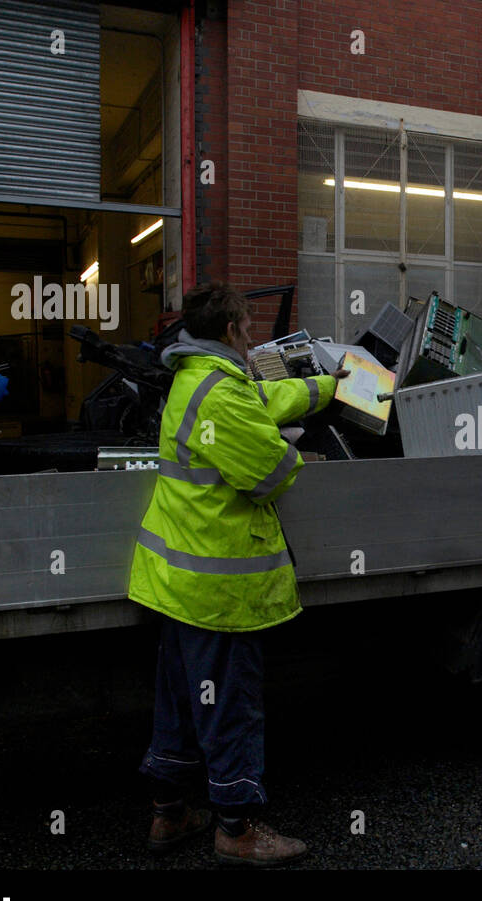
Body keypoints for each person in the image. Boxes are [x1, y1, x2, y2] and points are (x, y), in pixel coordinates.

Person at [127, 281, 346, 866]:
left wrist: (327, 385)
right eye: (249, 330)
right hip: (217, 589)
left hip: (176, 581)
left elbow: (262, 402)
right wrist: (293, 449)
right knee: (230, 707)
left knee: (179, 700)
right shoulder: (222, 395)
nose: (254, 340)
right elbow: (272, 476)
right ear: (230, 332)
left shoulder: (198, 378)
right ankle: (237, 828)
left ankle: (170, 814)